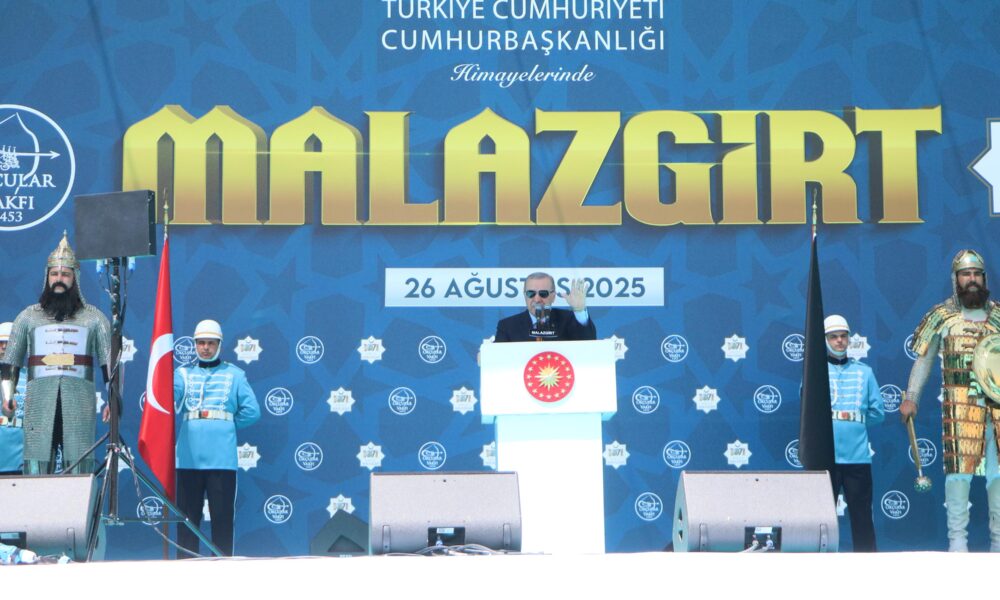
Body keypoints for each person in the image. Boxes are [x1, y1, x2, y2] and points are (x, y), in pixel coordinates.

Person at [901, 249, 1000, 552]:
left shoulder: (998, 316)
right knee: (958, 477)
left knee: (998, 477)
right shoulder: (942, 316)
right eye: (966, 274)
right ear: (956, 279)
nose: (972, 279)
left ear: (984, 278)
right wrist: (912, 397)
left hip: (997, 410)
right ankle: (958, 542)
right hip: (959, 410)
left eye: (977, 274)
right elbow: (924, 361)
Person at [1, 233, 110, 474]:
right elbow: (10, 363)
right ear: (47, 277)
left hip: (78, 405)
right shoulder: (28, 317)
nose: (58, 279)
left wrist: (114, 399)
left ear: (75, 278)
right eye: (54, 274)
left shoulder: (94, 319)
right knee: (36, 471)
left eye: (65, 274)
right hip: (40, 405)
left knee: (80, 469)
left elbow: (109, 364)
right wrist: (7, 397)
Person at [175, 319, 259, 557]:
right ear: (194, 344)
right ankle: (185, 569)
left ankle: (222, 569)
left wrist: (226, 425)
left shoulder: (235, 375)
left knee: (222, 519)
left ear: (219, 344)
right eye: (201, 342)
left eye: (211, 343)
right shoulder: (181, 374)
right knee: (187, 520)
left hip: (221, 457)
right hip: (189, 457)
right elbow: (169, 398)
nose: (205, 348)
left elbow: (252, 411)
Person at [824, 315, 884, 552]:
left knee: (862, 518)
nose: (839, 341)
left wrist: (854, 422)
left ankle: (867, 565)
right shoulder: (815, 372)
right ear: (825, 340)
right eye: (833, 337)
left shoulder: (864, 372)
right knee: (821, 520)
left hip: (857, 457)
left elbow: (878, 413)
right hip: (824, 458)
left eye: (843, 336)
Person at [495, 273, 596, 342]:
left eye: (543, 293)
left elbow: (589, 343)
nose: (537, 299)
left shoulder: (569, 320)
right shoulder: (507, 326)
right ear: (525, 295)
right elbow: (498, 358)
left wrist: (579, 310)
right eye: (531, 293)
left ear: (553, 296)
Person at [0, 322, 27, 475]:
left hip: (20, 454)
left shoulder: (30, 377)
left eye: (8, 343)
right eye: (0, 343)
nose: (4, 347)